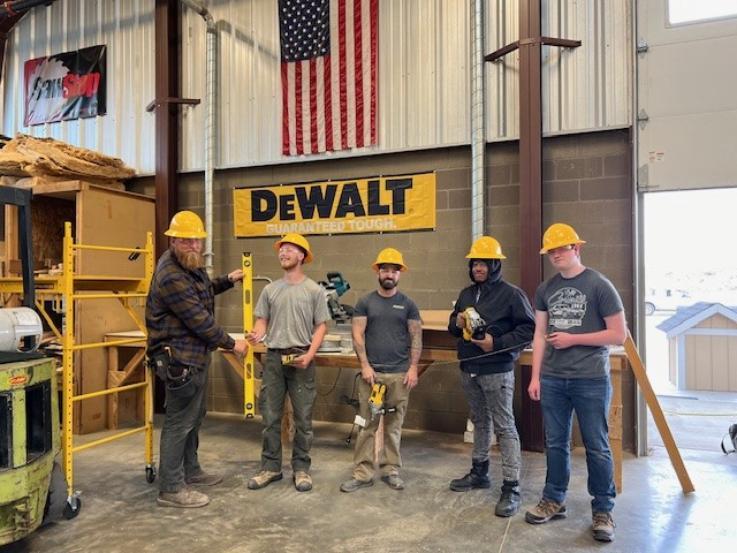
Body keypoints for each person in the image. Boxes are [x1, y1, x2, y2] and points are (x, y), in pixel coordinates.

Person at [525, 223, 626, 543]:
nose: (555, 254)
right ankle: (554, 499)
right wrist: (535, 376)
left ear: (576, 249)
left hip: (590, 379)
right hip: (553, 379)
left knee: (596, 446)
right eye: (550, 251)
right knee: (556, 443)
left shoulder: (599, 285)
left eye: (561, 249)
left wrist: (573, 339)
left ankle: (603, 510)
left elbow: (618, 334)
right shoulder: (545, 289)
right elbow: (539, 335)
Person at [146, 210, 248, 508]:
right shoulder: (170, 275)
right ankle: (171, 488)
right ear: (173, 240)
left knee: (194, 417)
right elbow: (199, 320)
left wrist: (227, 280)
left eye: (197, 240)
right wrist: (232, 344)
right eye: (186, 240)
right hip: (179, 360)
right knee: (179, 422)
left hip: (194, 357)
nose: (194, 245)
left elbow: (202, 290)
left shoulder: (188, 266)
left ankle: (190, 470)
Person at [447, 236, 534, 517]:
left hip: (497, 370)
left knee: (504, 426)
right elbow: (452, 325)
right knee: (479, 421)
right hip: (469, 367)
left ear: (495, 264)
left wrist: (495, 344)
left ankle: (511, 487)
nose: (478, 267)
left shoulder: (512, 294)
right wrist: (457, 323)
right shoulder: (466, 294)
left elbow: (528, 330)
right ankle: (479, 472)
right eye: (475, 263)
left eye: (484, 263)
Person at [246, 233, 331, 492]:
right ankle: (270, 467)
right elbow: (262, 320)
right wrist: (256, 332)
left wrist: (310, 354)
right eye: (281, 249)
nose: (283, 253)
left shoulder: (314, 291)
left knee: (303, 418)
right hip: (273, 359)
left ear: (302, 256)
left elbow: (321, 327)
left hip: (301, 357)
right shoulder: (270, 290)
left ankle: (301, 469)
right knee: (270, 417)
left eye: (289, 249)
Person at [340, 248, 422, 493]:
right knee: (367, 425)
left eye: (394, 270)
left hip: (399, 376)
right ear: (378, 272)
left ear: (399, 274)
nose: (389, 274)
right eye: (385, 269)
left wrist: (413, 368)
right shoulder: (366, 302)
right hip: (372, 377)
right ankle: (363, 473)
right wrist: (364, 365)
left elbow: (416, 336)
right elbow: (357, 334)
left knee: (394, 427)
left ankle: (390, 470)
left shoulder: (408, 304)